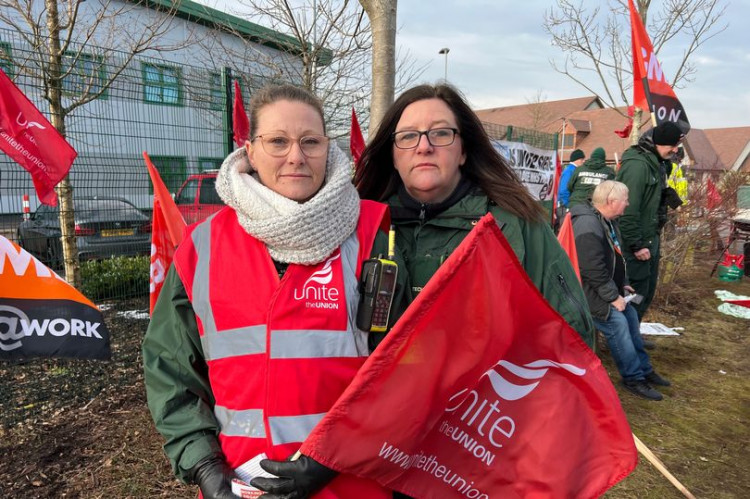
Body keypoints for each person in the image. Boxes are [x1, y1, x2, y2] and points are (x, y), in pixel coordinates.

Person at [142, 84, 401, 499]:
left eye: (310, 141)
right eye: (277, 141)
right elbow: (170, 369)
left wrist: (333, 457)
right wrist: (203, 465)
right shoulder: (200, 248)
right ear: (250, 150)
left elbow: (403, 375)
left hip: (349, 483)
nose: (296, 156)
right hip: (238, 485)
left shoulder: (375, 234)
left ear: (327, 148)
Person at [355, 83, 595, 348]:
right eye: (408, 136)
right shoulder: (363, 227)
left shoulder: (516, 225)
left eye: (441, 132)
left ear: (463, 151)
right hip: (387, 390)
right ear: (393, 154)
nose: (424, 146)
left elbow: (570, 339)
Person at [570, 181, 671, 400]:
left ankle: (644, 370)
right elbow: (591, 268)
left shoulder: (606, 220)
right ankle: (633, 378)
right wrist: (612, 297)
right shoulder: (588, 225)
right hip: (587, 295)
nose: (628, 204)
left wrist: (623, 282)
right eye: (625, 199)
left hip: (605, 289)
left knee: (632, 316)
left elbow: (614, 257)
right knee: (618, 324)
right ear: (611, 202)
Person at [616, 121, 684, 321]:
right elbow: (627, 209)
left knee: (646, 290)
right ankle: (627, 339)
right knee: (635, 293)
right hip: (637, 243)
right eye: (671, 145)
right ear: (658, 143)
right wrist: (636, 244)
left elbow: (648, 200)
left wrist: (665, 195)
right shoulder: (638, 166)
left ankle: (634, 333)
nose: (675, 150)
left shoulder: (657, 164)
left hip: (650, 238)